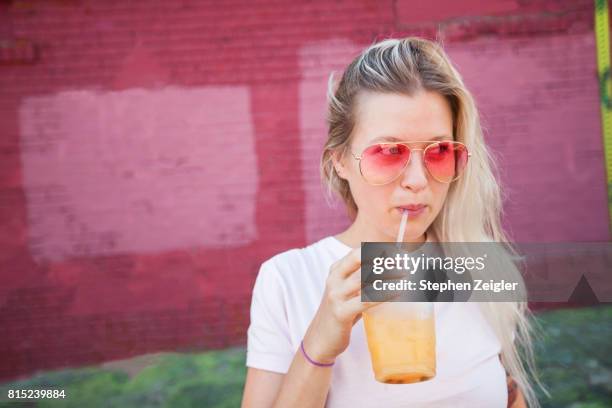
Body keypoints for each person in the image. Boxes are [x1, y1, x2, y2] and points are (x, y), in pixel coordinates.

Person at [241, 36, 543, 408]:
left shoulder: (480, 267)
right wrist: (319, 341)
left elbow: (508, 395)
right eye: (388, 151)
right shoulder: (289, 279)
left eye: (439, 151)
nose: (417, 179)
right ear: (340, 160)